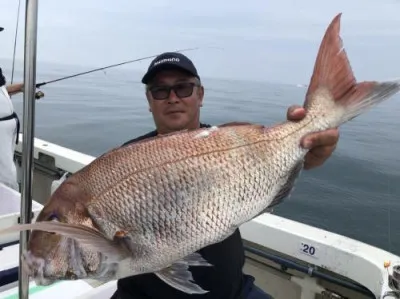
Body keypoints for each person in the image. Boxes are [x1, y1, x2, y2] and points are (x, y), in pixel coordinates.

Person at [111, 52, 339, 299]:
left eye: (184, 88)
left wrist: (305, 152)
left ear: (201, 95)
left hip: (232, 292)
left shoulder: (231, 144)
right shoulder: (126, 160)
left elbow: (269, 163)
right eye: (160, 91)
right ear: (149, 100)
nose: (173, 98)